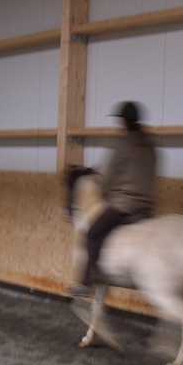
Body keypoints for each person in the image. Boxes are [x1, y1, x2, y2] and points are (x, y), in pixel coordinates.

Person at [68, 101, 158, 297]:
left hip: (123, 205)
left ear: (125, 122)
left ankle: (90, 280)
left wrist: (105, 189)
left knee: (92, 233)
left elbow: (107, 180)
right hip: (146, 207)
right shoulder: (151, 146)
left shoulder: (123, 145)